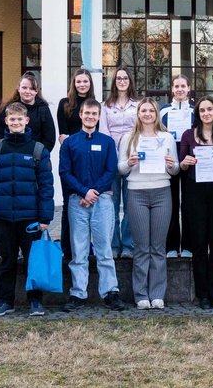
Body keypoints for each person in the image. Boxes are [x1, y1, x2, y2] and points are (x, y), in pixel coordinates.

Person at [0, 102, 55, 316]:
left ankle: (35, 301)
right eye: (12, 119)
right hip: (2, 217)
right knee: (7, 262)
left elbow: (47, 186)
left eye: (20, 119)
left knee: (34, 261)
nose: (16, 122)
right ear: (6, 122)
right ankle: (5, 301)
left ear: (26, 121)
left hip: (30, 218)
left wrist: (45, 217)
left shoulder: (38, 150)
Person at [58, 97, 124, 312]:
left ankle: (110, 292)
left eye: (94, 114)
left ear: (98, 116)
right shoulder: (69, 143)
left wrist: (93, 192)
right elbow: (65, 172)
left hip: (102, 200)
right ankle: (78, 293)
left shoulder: (107, 142)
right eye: (87, 113)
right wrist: (83, 191)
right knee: (79, 250)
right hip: (77, 201)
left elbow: (111, 170)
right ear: (81, 115)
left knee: (104, 249)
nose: (90, 117)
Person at [119, 100, 180, 310]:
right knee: (142, 247)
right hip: (137, 193)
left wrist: (173, 165)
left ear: (157, 114)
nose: (147, 114)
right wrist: (129, 163)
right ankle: (141, 294)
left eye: (151, 110)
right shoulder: (129, 138)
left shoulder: (166, 137)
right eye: (143, 110)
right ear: (138, 113)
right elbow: (120, 168)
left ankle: (157, 294)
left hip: (162, 193)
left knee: (158, 247)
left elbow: (175, 169)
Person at [178, 96, 213, 309]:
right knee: (199, 245)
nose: (206, 113)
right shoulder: (188, 135)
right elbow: (181, 165)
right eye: (202, 110)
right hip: (195, 193)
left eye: (209, 109)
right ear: (198, 114)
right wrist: (185, 162)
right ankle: (202, 294)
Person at [56, 68, 97, 261]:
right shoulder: (65, 104)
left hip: (90, 160)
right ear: (74, 83)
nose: (82, 84)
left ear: (90, 84)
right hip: (71, 159)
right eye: (79, 81)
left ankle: (86, 245)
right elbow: (63, 136)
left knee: (89, 203)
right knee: (69, 204)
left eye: (85, 81)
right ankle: (68, 248)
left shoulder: (95, 105)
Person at [100, 65, 139, 259]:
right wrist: (113, 157)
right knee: (112, 206)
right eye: (118, 78)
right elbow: (104, 132)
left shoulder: (138, 105)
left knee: (131, 206)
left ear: (130, 81)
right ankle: (114, 245)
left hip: (133, 160)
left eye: (125, 78)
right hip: (111, 160)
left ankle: (128, 245)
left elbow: (141, 131)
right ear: (114, 82)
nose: (122, 81)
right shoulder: (105, 106)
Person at [160, 73, 195, 259]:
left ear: (188, 89)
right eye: (177, 86)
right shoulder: (163, 111)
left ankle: (188, 245)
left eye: (183, 86)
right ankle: (171, 246)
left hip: (190, 160)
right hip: (170, 160)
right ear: (172, 89)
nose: (180, 89)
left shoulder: (195, 111)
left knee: (189, 204)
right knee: (171, 203)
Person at [0, 72, 57, 149]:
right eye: (24, 88)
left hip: (36, 156)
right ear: (18, 88)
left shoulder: (43, 109)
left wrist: (39, 155)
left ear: (37, 91)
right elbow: (0, 132)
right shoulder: (8, 108)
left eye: (32, 88)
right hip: (10, 154)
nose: (27, 91)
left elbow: (49, 138)